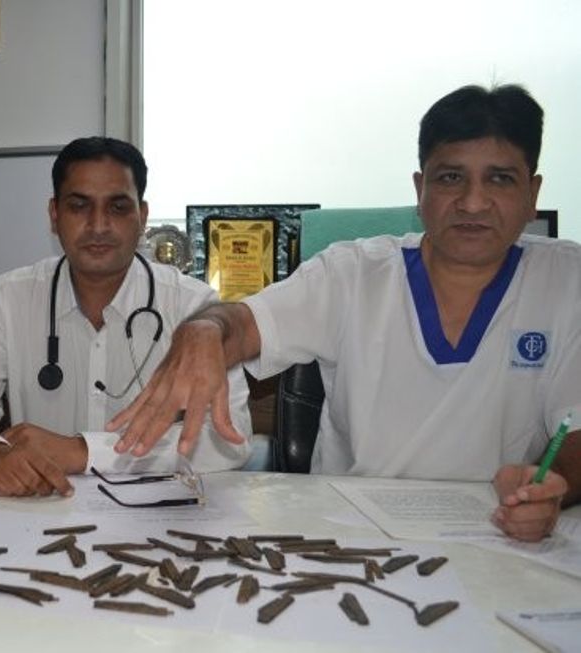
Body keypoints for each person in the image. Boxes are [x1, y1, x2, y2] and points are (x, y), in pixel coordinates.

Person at [109, 84, 581, 542]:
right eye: (450, 178)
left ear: (533, 192)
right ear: (420, 189)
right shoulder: (351, 272)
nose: (473, 202)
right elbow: (244, 325)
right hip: (354, 542)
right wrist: (204, 329)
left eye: (500, 179)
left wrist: (554, 486)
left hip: (500, 534)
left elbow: (575, 433)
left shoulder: (567, 282)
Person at [0, 137, 254, 497]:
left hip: (157, 511)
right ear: (54, 215)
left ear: (142, 217)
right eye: (79, 206)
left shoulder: (195, 308)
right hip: (38, 507)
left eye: (118, 207)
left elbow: (228, 439)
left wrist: (83, 452)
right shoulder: (7, 298)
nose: (98, 225)